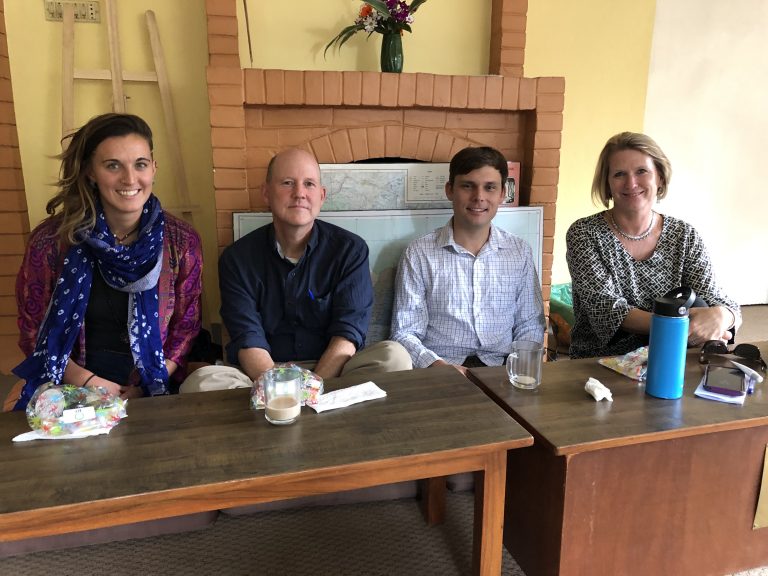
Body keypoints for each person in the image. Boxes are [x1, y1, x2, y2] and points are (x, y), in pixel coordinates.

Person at [7, 113, 203, 410]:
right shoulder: (51, 242)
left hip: (156, 383)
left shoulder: (181, 241)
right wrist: (90, 384)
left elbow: (186, 327)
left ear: (154, 168)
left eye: (140, 164)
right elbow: (34, 330)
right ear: (90, 172)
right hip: (72, 385)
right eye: (113, 165)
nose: (130, 179)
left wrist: (150, 381)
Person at [185, 148, 410, 391]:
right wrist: (279, 391)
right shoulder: (237, 259)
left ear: (322, 196)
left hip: (334, 372)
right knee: (200, 382)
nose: (299, 193)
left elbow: (348, 332)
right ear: (266, 193)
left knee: (394, 357)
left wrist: (311, 388)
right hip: (264, 373)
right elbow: (247, 336)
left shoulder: (350, 250)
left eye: (309, 184)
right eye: (287, 183)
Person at [565, 131, 741, 359]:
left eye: (642, 171)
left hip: (673, 359)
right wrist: (682, 327)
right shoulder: (585, 233)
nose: (631, 183)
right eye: (619, 174)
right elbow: (607, 310)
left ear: (659, 177)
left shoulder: (684, 235)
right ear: (607, 184)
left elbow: (719, 299)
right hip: (602, 361)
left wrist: (722, 316)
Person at [390, 146, 545, 376]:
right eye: (468, 186)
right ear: (450, 190)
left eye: (489, 187)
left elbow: (530, 324)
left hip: (503, 370)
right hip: (439, 371)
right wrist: (440, 368)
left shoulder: (519, 252)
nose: (479, 197)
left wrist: (520, 372)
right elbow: (404, 332)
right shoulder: (419, 253)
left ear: (502, 193)